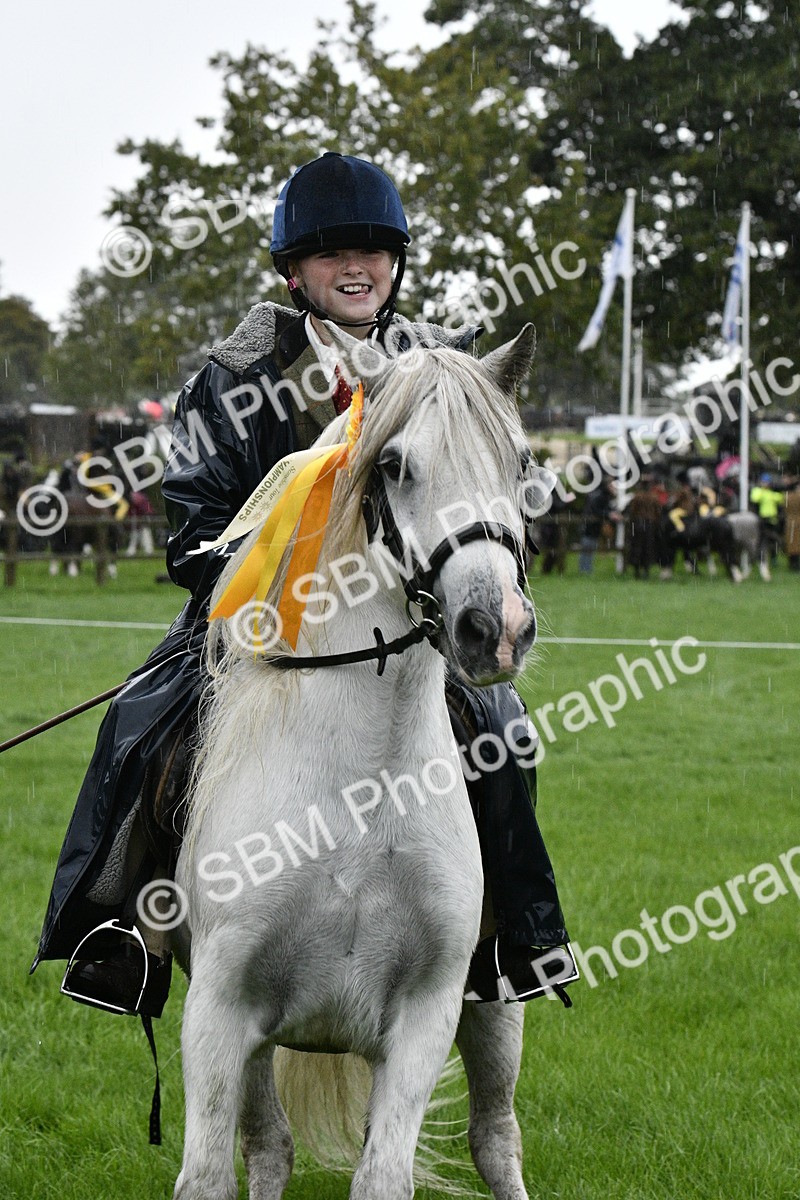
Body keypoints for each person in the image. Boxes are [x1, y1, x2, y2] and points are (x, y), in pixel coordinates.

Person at [34, 153, 574, 1015]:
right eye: (330, 253)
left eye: (373, 250)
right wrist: (250, 576)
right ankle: (122, 931)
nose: (356, 268)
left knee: (503, 727)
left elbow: (487, 490)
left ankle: (512, 939)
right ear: (294, 270)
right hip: (257, 618)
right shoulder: (234, 375)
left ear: (397, 261)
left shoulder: (441, 367)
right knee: (141, 722)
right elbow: (193, 521)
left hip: (408, 621)